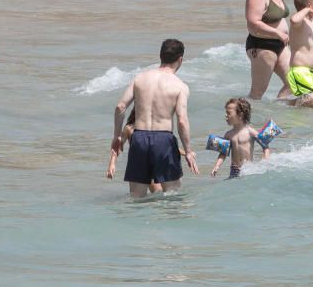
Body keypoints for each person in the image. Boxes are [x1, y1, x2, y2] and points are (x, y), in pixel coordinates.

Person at [111, 39, 199, 197]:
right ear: (180, 59)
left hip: (139, 138)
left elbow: (120, 107)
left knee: (136, 198)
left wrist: (117, 135)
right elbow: (182, 120)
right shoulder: (180, 86)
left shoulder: (139, 79)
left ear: (160, 56)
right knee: (172, 196)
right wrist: (188, 151)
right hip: (163, 140)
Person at [245, 0, 291, 100]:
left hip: (280, 45)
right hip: (262, 46)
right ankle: (244, 120)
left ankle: (278, 114)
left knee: (295, 83)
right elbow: (253, 22)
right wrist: (277, 33)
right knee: (257, 93)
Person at [209, 98, 273, 178]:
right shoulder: (228, 134)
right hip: (234, 170)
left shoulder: (251, 132)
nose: (226, 115)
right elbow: (223, 153)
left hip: (248, 169)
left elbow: (265, 146)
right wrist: (217, 166)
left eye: (229, 113)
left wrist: (266, 160)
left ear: (240, 115)